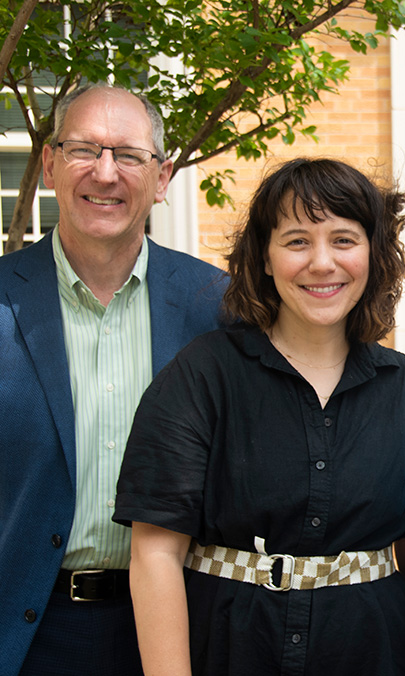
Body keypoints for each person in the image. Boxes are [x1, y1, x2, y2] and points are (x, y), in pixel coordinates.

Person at [112, 157, 405, 675]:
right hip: (228, 651)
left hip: (376, 653)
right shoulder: (203, 375)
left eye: (343, 239)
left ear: (374, 255)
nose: (321, 262)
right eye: (296, 241)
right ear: (264, 258)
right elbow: (154, 557)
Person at [0, 84, 226, 676]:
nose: (106, 174)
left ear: (162, 177)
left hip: (181, 630)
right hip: (25, 635)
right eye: (84, 150)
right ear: (49, 164)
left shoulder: (218, 308)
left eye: (129, 155)